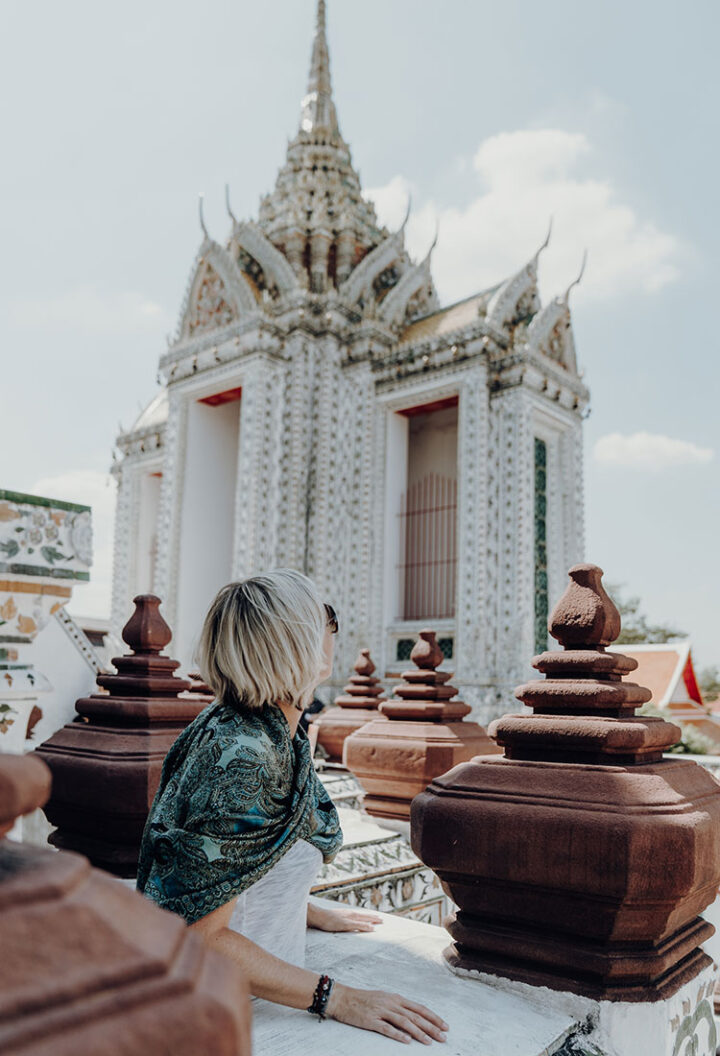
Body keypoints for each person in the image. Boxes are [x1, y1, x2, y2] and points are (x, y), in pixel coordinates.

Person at [137, 569, 447, 1045]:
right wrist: (338, 997)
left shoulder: (266, 731)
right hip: (215, 1015)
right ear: (293, 643)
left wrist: (299, 906)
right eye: (324, 618)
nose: (333, 630)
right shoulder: (241, 758)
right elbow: (200, 934)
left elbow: (228, 868)